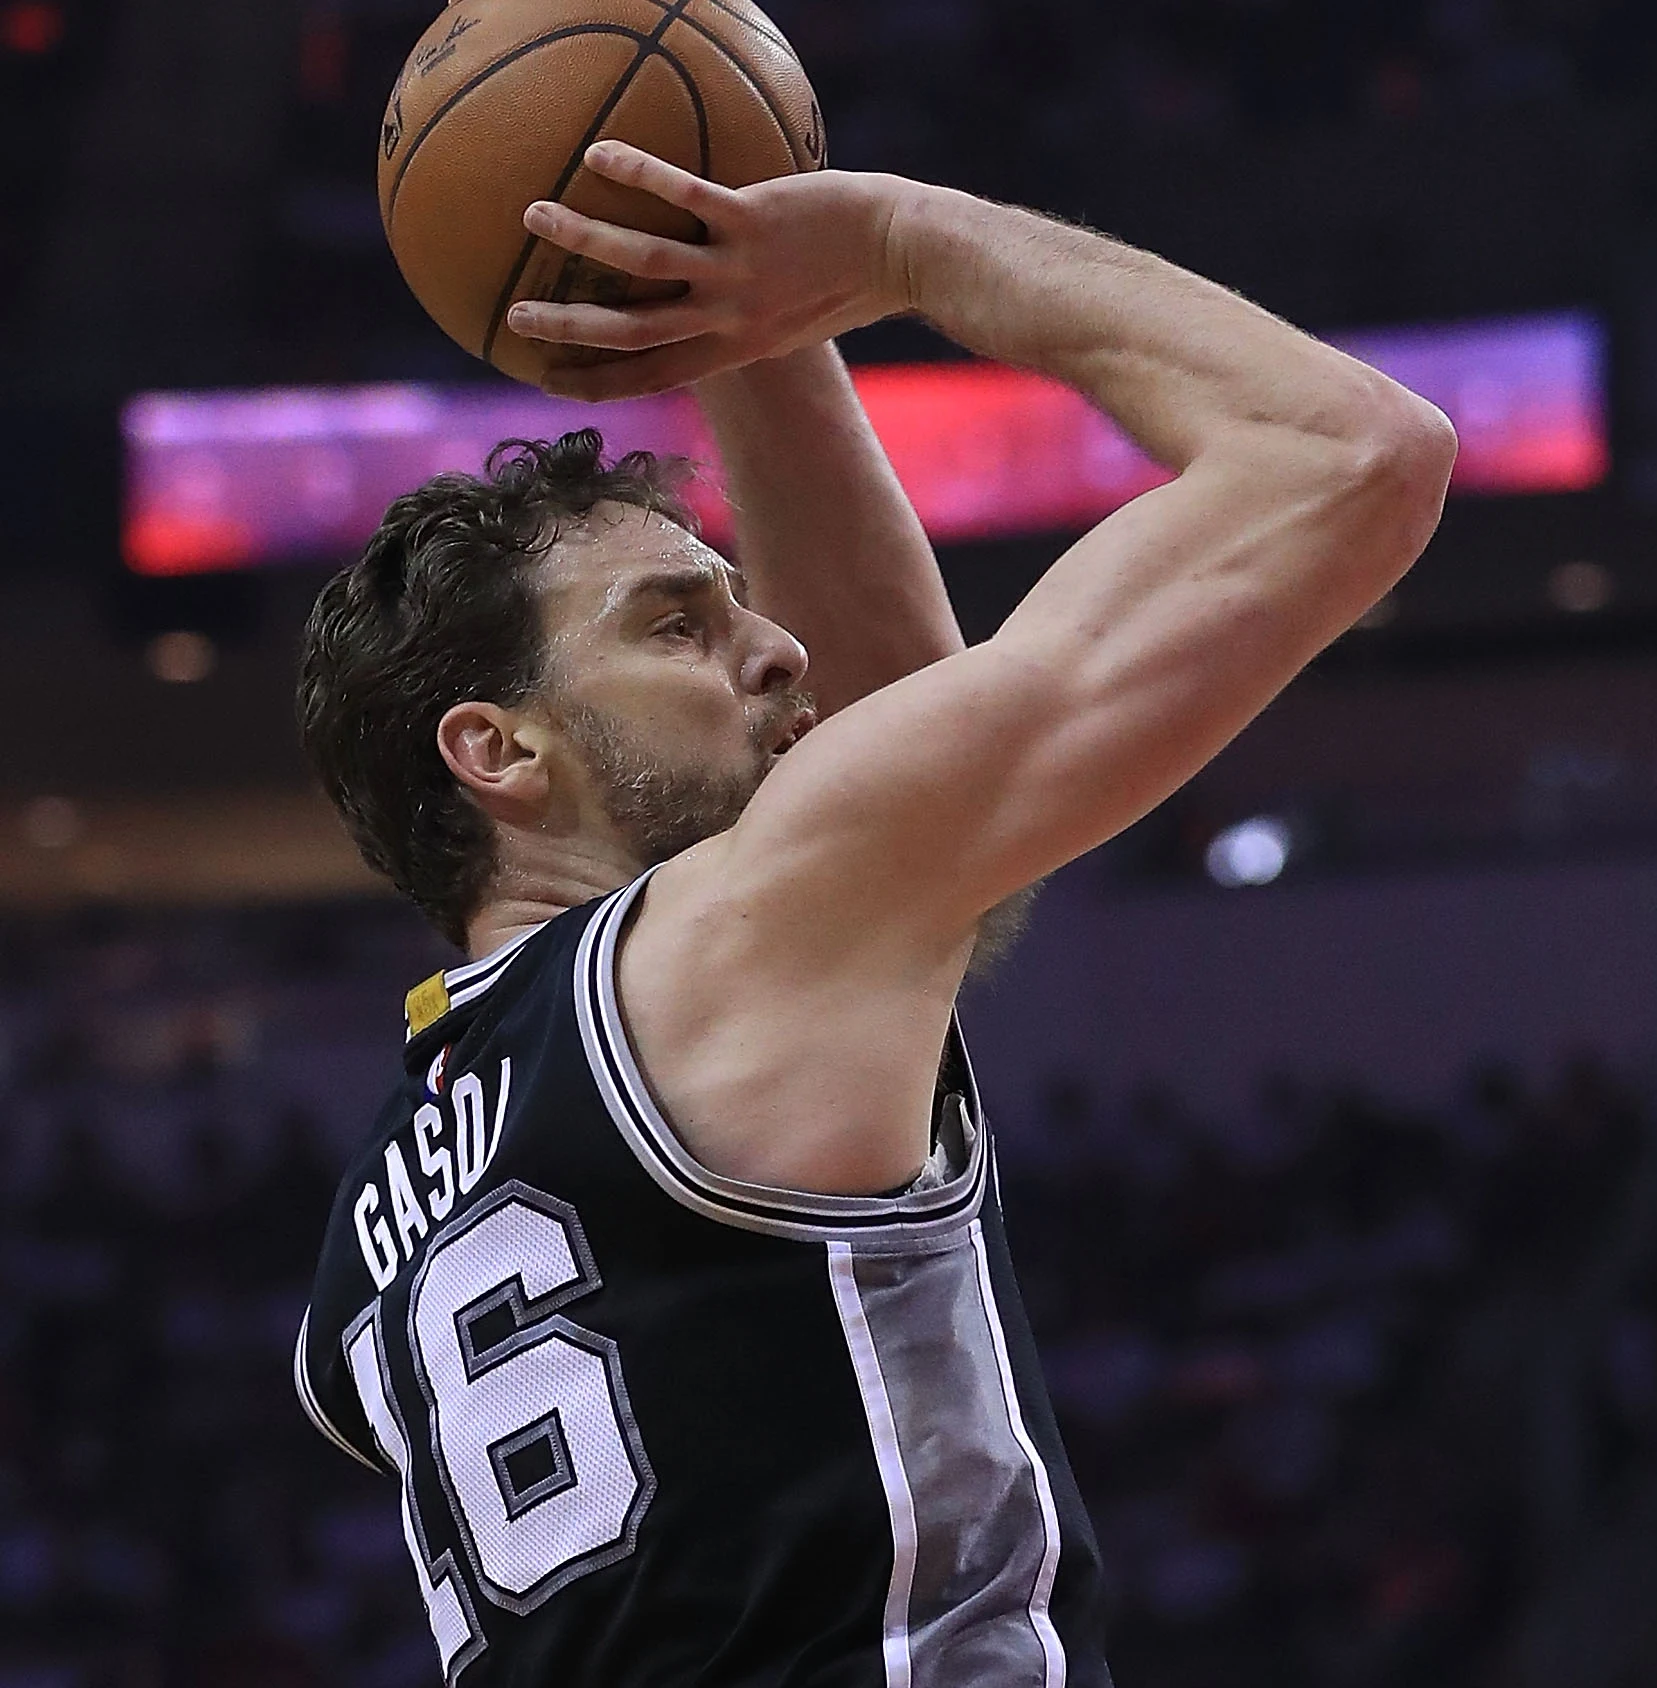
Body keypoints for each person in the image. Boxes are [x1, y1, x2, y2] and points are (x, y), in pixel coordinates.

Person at [287, 139, 1457, 1687]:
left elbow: (912, 787)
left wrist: (756, 341)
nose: (774, 651)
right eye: (678, 623)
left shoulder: (368, 1251)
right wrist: (898, 243)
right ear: (500, 751)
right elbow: (1353, 454)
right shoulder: (736, 944)